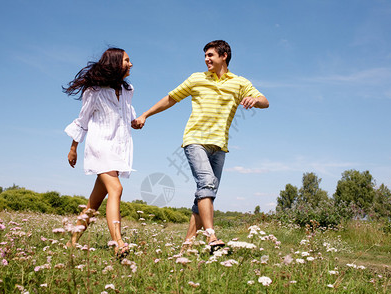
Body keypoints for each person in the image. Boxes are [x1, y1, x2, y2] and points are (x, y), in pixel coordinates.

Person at [131, 40, 269, 252]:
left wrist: (253, 100)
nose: (206, 59)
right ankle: (210, 235)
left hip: (220, 146)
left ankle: (186, 247)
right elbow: (171, 98)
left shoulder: (239, 83)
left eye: (210, 55)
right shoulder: (197, 79)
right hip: (195, 140)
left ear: (224, 56)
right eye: (205, 55)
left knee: (204, 194)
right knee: (206, 184)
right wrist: (145, 115)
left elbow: (264, 101)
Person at [63, 47, 135, 259]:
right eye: (127, 61)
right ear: (114, 63)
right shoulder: (93, 92)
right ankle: (118, 244)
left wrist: (136, 121)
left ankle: (72, 241)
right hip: (100, 146)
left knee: (93, 204)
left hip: (118, 148)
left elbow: (128, 113)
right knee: (116, 189)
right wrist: (73, 147)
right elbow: (82, 120)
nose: (130, 64)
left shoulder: (128, 89)